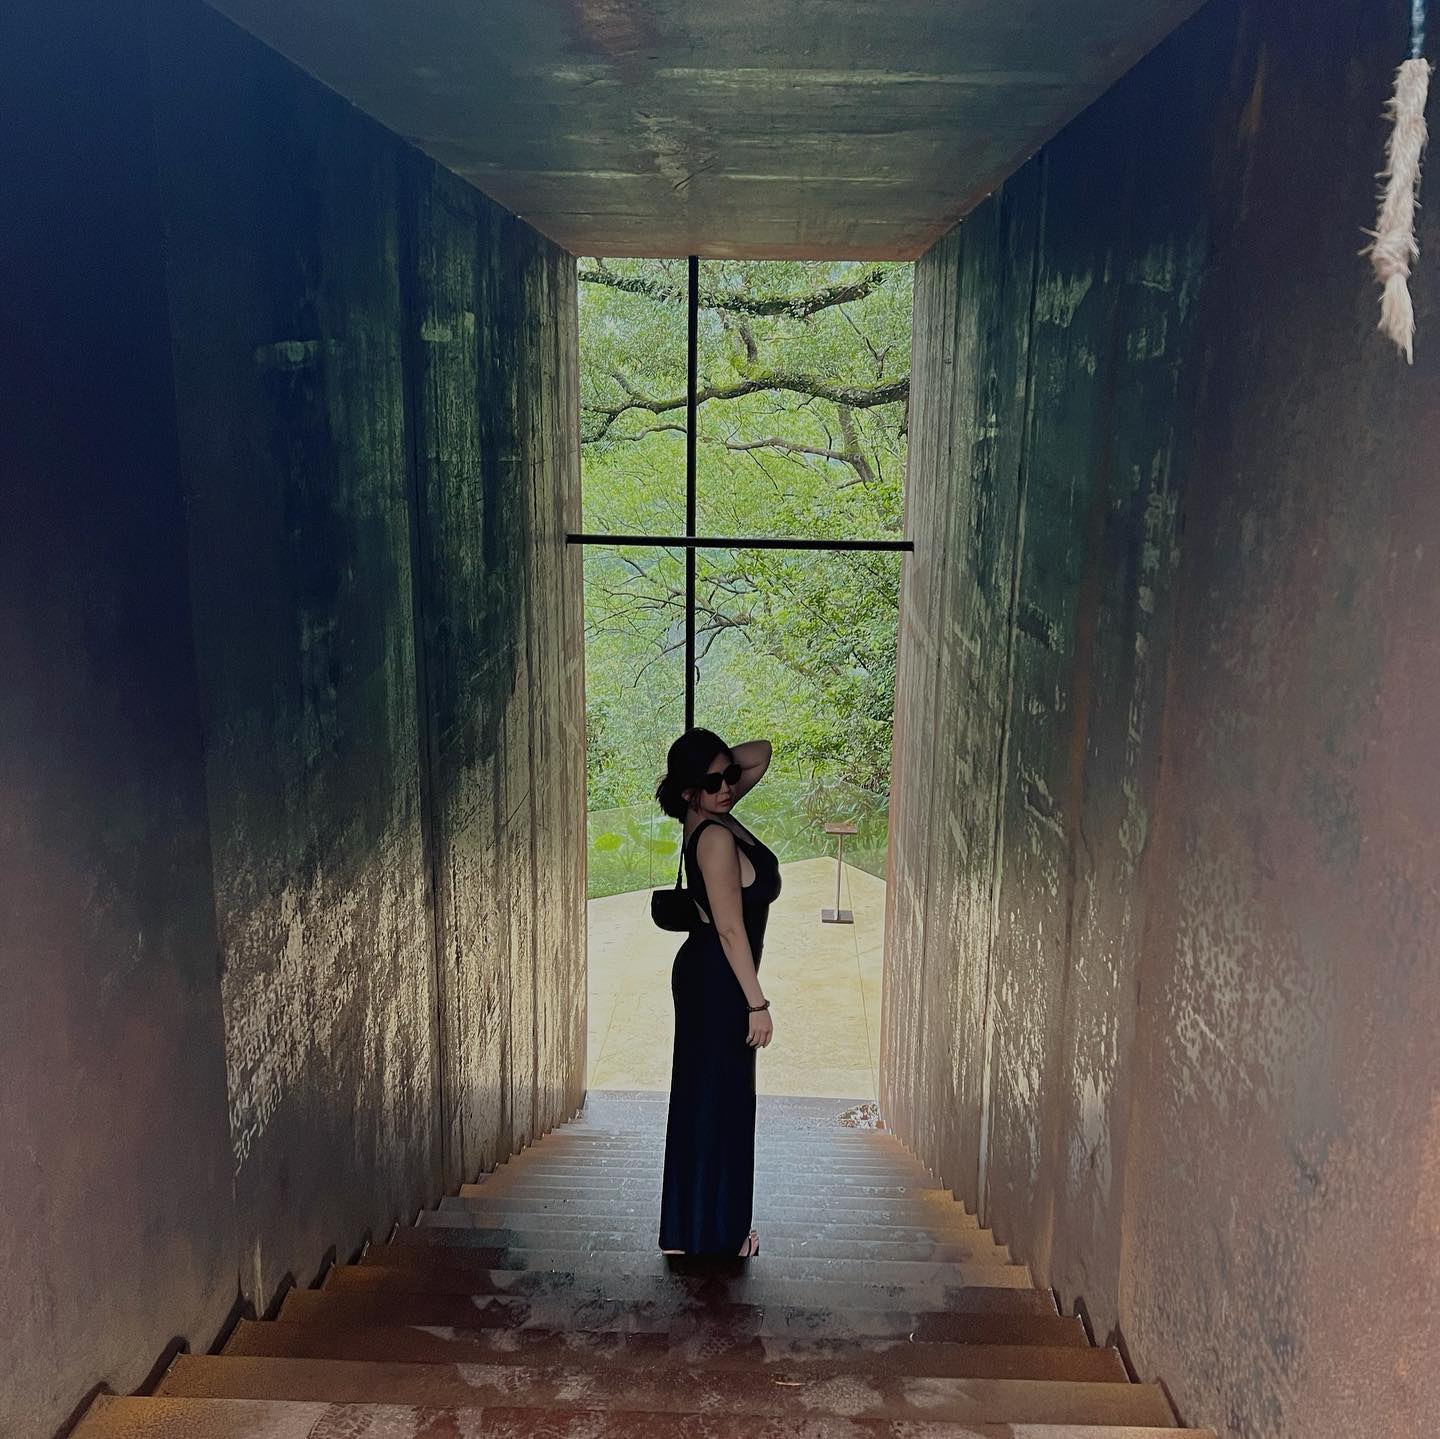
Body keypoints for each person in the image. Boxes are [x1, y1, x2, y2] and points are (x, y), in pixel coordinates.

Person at [653, 729, 781, 1257]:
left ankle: (690, 1230)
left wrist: (715, 763)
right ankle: (720, 1235)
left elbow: (761, 753)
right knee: (722, 1104)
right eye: (712, 783)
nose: (728, 786)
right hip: (719, 981)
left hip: (711, 976)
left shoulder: (711, 812)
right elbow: (731, 930)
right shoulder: (715, 838)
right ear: (689, 792)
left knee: (704, 1099)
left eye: (729, 776)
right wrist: (757, 1004)